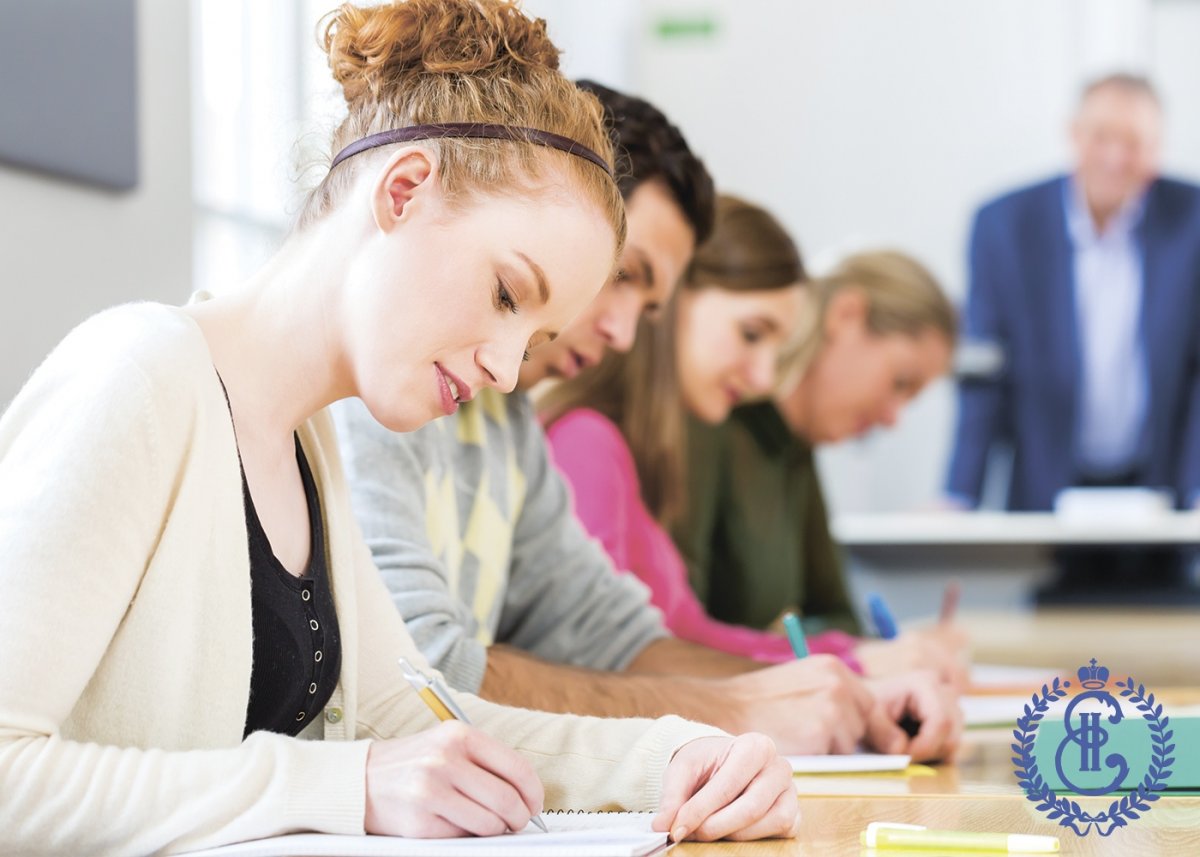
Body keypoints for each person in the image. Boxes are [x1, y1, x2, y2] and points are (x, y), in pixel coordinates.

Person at [0, 3, 800, 853]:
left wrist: (679, 755)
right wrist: (341, 785)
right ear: (404, 190)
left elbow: (407, 719)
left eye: (533, 339)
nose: (503, 368)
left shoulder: (309, 445)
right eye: (504, 294)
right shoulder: (138, 378)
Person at [336, 85, 953, 760]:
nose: (626, 331)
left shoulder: (503, 415)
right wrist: (735, 707)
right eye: (622, 274)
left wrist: (835, 696)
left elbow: (613, 637)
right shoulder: (381, 387)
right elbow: (422, 681)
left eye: (649, 303)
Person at [538, 200, 966, 696]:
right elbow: (605, 659)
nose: (764, 376)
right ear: (675, 300)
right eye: (750, 334)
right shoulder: (590, 440)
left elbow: (682, 635)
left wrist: (846, 663)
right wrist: (846, 666)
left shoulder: (621, 447)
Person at [944, 72, 1200, 601]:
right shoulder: (1004, 224)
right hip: (1049, 482)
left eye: (1134, 143)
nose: (1115, 157)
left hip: (1165, 483)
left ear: (1157, 150)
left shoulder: (1192, 217)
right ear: (1073, 134)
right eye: (1101, 136)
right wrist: (958, 493)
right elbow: (986, 369)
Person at [680, 249, 966, 684]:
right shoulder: (713, 422)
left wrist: (886, 652)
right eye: (900, 383)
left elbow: (839, 618)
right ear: (846, 315)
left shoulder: (795, 448)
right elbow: (675, 638)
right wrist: (853, 655)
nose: (893, 418)